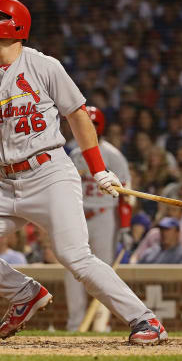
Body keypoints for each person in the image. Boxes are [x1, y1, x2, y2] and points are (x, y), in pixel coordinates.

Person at [0, 0, 167, 345]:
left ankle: (145, 320)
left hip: (50, 174)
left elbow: (78, 114)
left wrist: (98, 170)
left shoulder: (44, 66)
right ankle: (24, 294)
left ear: (18, 24)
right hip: (7, 181)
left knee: (74, 256)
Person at [64, 105, 132, 332]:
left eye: (92, 124)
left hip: (104, 217)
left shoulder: (113, 155)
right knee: (72, 269)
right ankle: (75, 325)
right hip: (78, 217)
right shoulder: (75, 153)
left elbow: (125, 193)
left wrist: (124, 227)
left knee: (104, 271)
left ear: (99, 126)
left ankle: (102, 324)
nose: (87, 127)